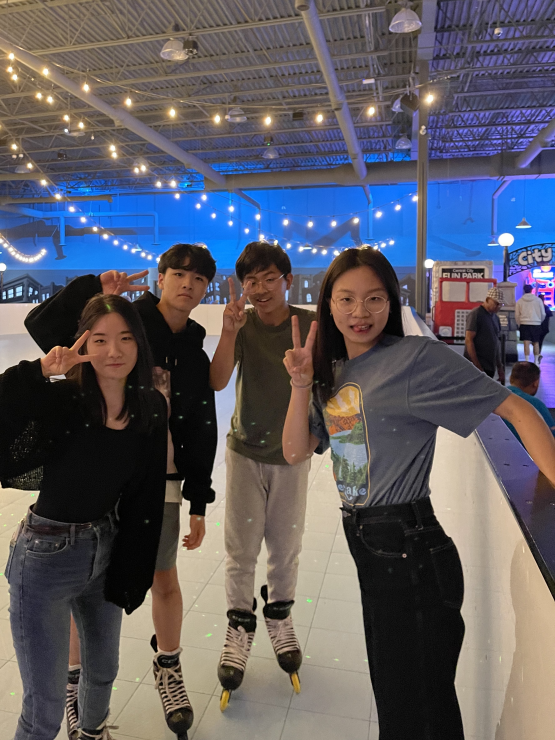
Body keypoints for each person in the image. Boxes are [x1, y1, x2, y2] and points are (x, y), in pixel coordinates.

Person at [281, 246, 555, 740]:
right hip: (370, 547)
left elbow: (515, 407)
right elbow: (296, 451)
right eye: (346, 299)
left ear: (391, 302)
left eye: (374, 298)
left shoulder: (413, 359)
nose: (360, 311)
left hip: (409, 549)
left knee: (418, 713)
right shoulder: (333, 371)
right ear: (329, 305)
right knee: (400, 702)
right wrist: (301, 385)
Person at [24, 245, 217, 739]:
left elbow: (200, 424)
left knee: (161, 575)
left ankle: (166, 665)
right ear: (160, 277)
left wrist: (199, 496)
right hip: (97, 478)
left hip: (158, 482)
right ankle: (74, 683)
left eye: (198, 278)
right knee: (82, 587)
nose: (187, 284)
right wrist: (93, 292)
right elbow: (45, 330)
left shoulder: (194, 350)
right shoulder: (127, 324)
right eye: (178, 273)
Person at [0, 295, 168, 740]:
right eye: (101, 340)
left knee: (104, 671)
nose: (114, 351)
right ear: (84, 345)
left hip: (106, 548)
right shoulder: (65, 401)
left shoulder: (150, 407)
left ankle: (92, 733)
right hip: (46, 556)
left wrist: (134, 569)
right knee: (45, 710)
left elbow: (146, 496)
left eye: (125, 338)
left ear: (140, 343)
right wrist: (40, 371)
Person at [209, 242, 315, 707]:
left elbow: (328, 385)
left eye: (269, 278)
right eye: (251, 281)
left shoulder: (309, 326)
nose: (259, 288)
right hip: (245, 452)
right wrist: (228, 332)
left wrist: (316, 438)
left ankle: (280, 613)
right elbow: (217, 380)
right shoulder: (244, 325)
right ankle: (239, 622)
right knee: (241, 548)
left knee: (286, 545)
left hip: (292, 456)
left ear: (287, 280)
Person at [502, 361, 555, 445]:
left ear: (510, 378)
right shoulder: (535, 405)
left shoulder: (495, 398)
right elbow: (551, 437)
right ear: (536, 383)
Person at [463, 286, 505, 382]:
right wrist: (477, 366)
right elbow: (469, 340)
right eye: (496, 303)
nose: (498, 306)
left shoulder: (495, 318)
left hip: (489, 365)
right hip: (476, 365)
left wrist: (499, 366)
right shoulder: (476, 314)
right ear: (487, 300)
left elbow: (496, 342)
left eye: (501, 304)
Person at [515, 282, 546, 363]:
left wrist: (519, 323)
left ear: (524, 290)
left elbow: (517, 315)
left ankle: (527, 361)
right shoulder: (538, 300)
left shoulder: (520, 301)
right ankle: (536, 361)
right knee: (536, 342)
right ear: (532, 290)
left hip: (524, 323)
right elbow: (543, 313)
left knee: (526, 342)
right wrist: (539, 321)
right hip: (536, 323)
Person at [537, 293, 552, 364]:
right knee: (540, 341)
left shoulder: (536, 308)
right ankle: (538, 352)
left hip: (536, 327)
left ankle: (537, 352)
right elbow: (549, 315)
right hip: (544, 328)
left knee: (536, 341)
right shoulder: (546, 307)